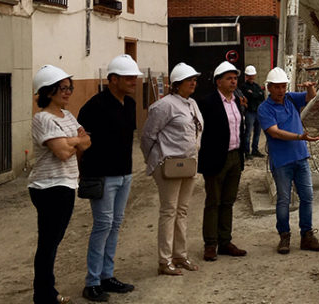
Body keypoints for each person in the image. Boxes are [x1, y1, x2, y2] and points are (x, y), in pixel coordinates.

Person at [77, 54, 140, 302]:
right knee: (103, 225)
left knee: (115, 224)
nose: (134, 81)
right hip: (102, 175)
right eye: (128, 77)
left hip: (124, 174)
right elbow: (82, 144)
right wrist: (84, 174)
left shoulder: (130, 104)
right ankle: (92, 282)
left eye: (134, 77)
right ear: (113, 79)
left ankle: (107, 275)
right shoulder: (93, 107)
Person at [29, 65, 91, 304]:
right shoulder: (42, 118)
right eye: (62, 88)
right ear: (47, 91)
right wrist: (74, 141)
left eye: (69, 88)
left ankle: (46, 291)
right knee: (48, 242)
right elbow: (63, 152)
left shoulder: (68, 115)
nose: (67, 92)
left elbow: (87, 142)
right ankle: (44, 294)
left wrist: (70, 141)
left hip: (67, 184)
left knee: (53, 241)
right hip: (48, 186)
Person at [140, 63, 205, 276]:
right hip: (168, 165)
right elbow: (148, 136)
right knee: (169, 211)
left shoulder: (192, 104)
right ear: (177, 84)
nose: (193, 83)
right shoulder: (164, 106)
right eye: (189, 80)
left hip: (189, 164)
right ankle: (165, 260)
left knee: (182, 210)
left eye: (194, 80)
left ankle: (180, 255)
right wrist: (153, 160)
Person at [258, 67, 319, 253]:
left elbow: (310, 97)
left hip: (300, 157)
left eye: (283, 86)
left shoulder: (290, 99)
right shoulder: (264, 109)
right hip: (282, 161)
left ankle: (307, 235)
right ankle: (284, 236)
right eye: (277, 87)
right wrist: (299, 137)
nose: (281, 90)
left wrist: (310, 87)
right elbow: (275, 132)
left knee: (307, 197)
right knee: (284, 200)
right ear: (269, 88)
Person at [196, 61, 247, 261]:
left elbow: (240, 129)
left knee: (228, 201)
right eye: (229, 78)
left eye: (235, 78)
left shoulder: (236, 102)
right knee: (213, 202)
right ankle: (210, 244)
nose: (233, 82)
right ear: (218, 82)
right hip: (216, 158)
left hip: (235, 156)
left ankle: (225, 241)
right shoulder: (207, 103)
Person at [239, 65, 265, 158]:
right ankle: (247, 152)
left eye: (252, 75)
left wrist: (254, 94)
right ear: (246, 76)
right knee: (248, 133)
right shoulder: (243, 87)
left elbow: (262, 96)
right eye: (249, 76)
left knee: (257, 132)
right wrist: (257, 94)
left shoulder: (256, 86)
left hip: (257, 112)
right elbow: (255, 95)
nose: (251, 77)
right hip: (249, 112)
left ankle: (255, 150)